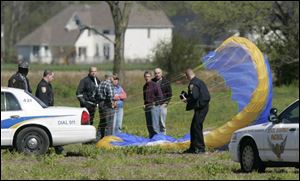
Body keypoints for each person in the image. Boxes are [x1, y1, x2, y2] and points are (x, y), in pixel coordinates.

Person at [181, 68, 210, 154]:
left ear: (187, 76)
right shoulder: (199, 81)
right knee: (194, 127)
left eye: (186, 77)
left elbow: (194, 96)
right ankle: (193, 148)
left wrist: (186, 99)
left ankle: (200, 148)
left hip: (201, 108)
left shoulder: (193, 84)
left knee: (197, 127)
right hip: (202, 106)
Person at [35, 70, 63, 154]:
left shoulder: (48, 85)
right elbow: (43, 102)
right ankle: (58, 148)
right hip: (45, 113)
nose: (53, 78)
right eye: (52, 76)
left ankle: (58, 147)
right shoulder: (42, 86)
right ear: (47, 75)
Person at [143, 71, 163, 138]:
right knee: (149, 125)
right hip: (147, 107)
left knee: (155, 126)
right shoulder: (144, 86)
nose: (147, 78)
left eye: (148, 76)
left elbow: (160, 96)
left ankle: (157, 139)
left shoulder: (155, 85)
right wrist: (144, 104)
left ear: (151, 77)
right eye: (145, 76)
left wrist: (155, 103)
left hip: (154, 107)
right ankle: (151, 139)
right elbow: (144, 97)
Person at [152, 68, 172, 135]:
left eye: (158, 73)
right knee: (155, 123)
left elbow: (170, 94)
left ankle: (163, 137)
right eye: (155, 73)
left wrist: (166, 103)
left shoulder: (166, 82)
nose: (157, 74)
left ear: (161, 73)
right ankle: (156, 137)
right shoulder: (152, 82)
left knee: (162, 122)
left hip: (163, 105)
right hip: (154, 105)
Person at [97, 72, 115, 139]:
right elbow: (110, 96)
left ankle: (98, 138)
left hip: (101, 104)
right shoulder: (109, 84)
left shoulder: (101, 83)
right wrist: (112, 104)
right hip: (107, 105)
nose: (113, 79)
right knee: (109, 123)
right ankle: (108, 140)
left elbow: (97, 94)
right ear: (110, 77)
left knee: (102, 122)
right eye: (113, 77)